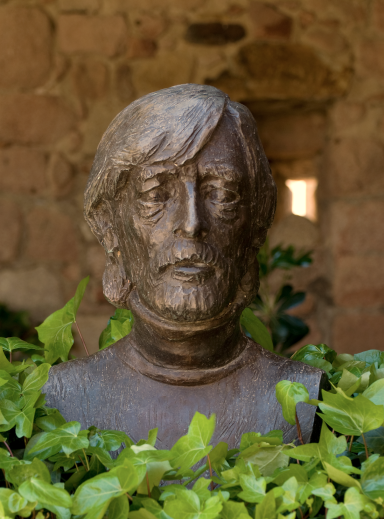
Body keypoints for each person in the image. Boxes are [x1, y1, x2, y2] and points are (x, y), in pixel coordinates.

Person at [44, 84, 325, 448]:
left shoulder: (308, 401)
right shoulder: (62, 397)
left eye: (221, 195)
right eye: (156, 195)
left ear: (255, 224)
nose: (192, 223)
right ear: (110, 225)